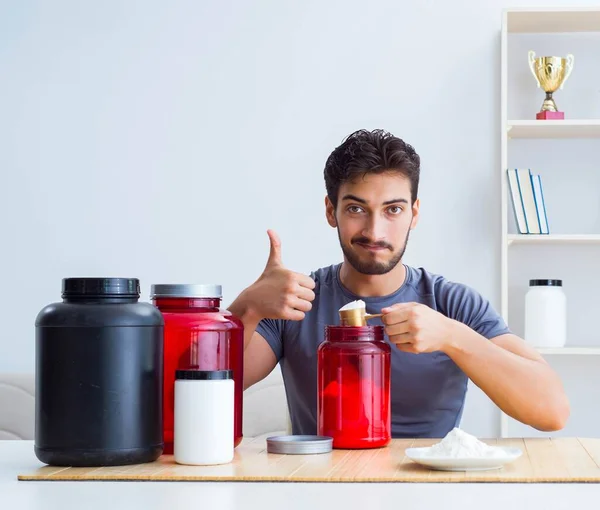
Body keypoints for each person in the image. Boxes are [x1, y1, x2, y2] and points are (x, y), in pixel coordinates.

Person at [228, 128, 570, 438]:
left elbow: (552, 412)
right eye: (356, 209)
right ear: (331, 211)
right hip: (323, 490)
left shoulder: (452, 303)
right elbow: (195, 394)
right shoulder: (295, 303)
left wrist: (452, 336)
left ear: (414, 214)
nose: (375, 232)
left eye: (392, 210)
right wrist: (247, 306)